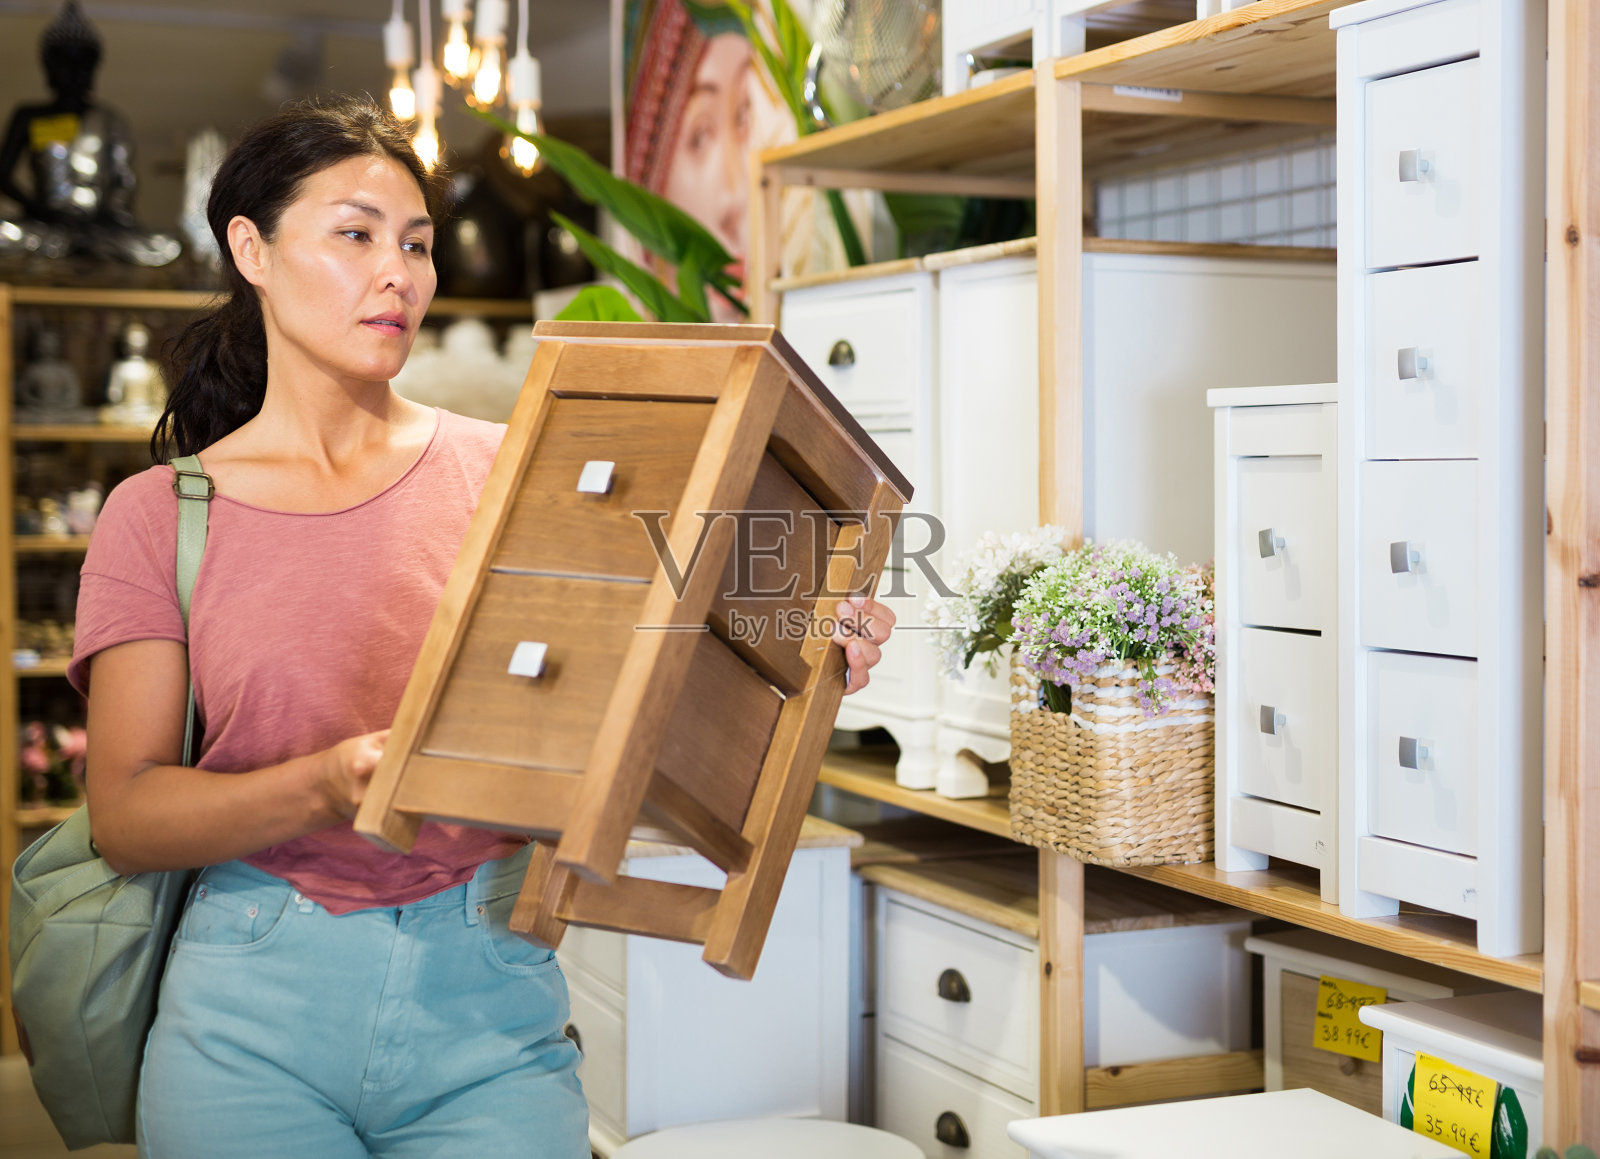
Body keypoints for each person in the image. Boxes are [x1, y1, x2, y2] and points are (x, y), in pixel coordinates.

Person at [69, 94, 896, 1158]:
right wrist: (332, 780)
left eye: (415, 243)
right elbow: (126, 816)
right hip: (248, 1007)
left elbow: (650, 666)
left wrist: (802, 649)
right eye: (355, 235)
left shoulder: (520, 465)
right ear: (252, 251)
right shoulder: (160, 516)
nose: (399, 274)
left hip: (489, 999)